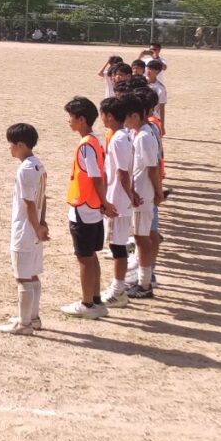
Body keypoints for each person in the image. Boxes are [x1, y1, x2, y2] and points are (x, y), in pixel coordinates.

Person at [61, 96, 115, 319]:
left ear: (81, 119)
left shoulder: (86, 146)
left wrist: (105, 202)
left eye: (71, 117)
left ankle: (87, 304)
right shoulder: (94, 140)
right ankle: (95, 300)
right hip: (92, 207)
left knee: (84, 257)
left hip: (84, 208)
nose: (69, 122)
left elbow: (95, 177)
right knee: (91, 255)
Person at [0, 123, 48, 335]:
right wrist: (42, 224)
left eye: (11, 145)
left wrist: (37, 227)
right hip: (35, 228)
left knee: (22, 277)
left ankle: (24, 324)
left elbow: (29, 203)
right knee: (33, 274)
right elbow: (42, 198)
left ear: (20, 145)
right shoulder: (38, 165)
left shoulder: (25, 170)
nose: (9, 148)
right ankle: (32, 317)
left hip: (25, 229)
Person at [124, 95, 162, 299]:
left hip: (143, 194)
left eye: (126, 116)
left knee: (142, 238)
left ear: (136, 115)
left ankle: (145, 284)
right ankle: (142, 280)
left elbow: (153, 167)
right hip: (139, 192)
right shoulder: (139, 133)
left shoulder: (145, 137)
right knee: (140, 237)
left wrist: (157, 192)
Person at [99, 96, 133, 309]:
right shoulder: (124, 135)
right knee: (118, 245)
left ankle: (118, 290)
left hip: (117, 200)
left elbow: (121, 172)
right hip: (121, 198)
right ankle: (118, 287)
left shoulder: (119, 139)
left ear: (110, 116)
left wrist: (129, 196)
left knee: (117, 246)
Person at [145, 59, 167, 131]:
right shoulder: (141, 82)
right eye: (148, 68)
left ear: (157, 71)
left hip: (153, 118)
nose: (148, 71)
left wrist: (162, 126)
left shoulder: (160, 88)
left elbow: (161, 108)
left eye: (151, 69)